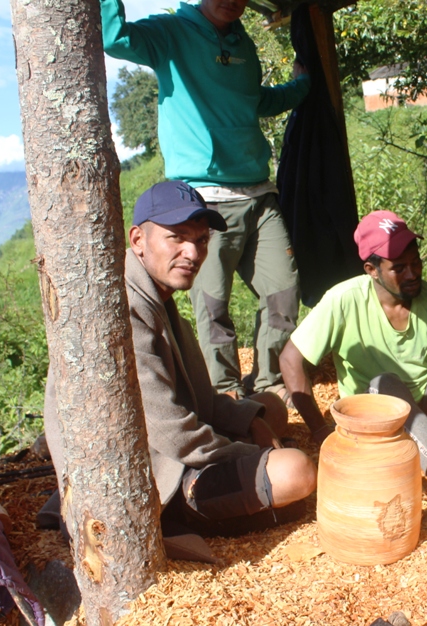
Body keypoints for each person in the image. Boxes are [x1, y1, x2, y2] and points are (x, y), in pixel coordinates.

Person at [44, 181, 316, 544]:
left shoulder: (157, 300)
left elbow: (201, 402)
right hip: (152, 479)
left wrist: (252, 422)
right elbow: (175, 434)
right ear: (138, 239)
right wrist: (254, 452)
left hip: (167, 445)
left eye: (202, 240)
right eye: (177, 237)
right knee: (295, 471)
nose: (193, 252)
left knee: (268, 410)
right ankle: (186, 518)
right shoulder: (121, 314)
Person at [101, 0, 310, 399]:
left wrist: (301, 87)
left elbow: (253, 101)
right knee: (212, 307)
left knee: (284, 292)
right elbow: (114, 39)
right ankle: (227, 394)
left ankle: (270, 383)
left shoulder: (242, 43)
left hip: (259, 193)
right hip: (206, 201)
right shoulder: (171, 34)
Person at [278, 210, 427, 474]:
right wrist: (320, 430)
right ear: (372, 270)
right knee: (384, 383)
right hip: (374, 425)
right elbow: (290, 359)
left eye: (416, 263)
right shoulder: (344, 300)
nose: (413, 274)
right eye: (399, 268)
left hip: (426, 420)